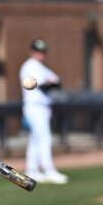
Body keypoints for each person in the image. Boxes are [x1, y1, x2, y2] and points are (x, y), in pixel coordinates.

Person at [19, 39, 68, 184]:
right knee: (44, 138)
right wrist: (50, 83)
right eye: (38, 51)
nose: (40, 54)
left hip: (43, 106)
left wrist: (51, 83)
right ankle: (49, 170)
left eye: (42, 52)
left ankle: (32, 170)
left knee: (35, 140)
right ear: (32, 52)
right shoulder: (29, 66)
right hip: (34, 106)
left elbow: (57, 82)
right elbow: (43, 85)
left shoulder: (41, 67)